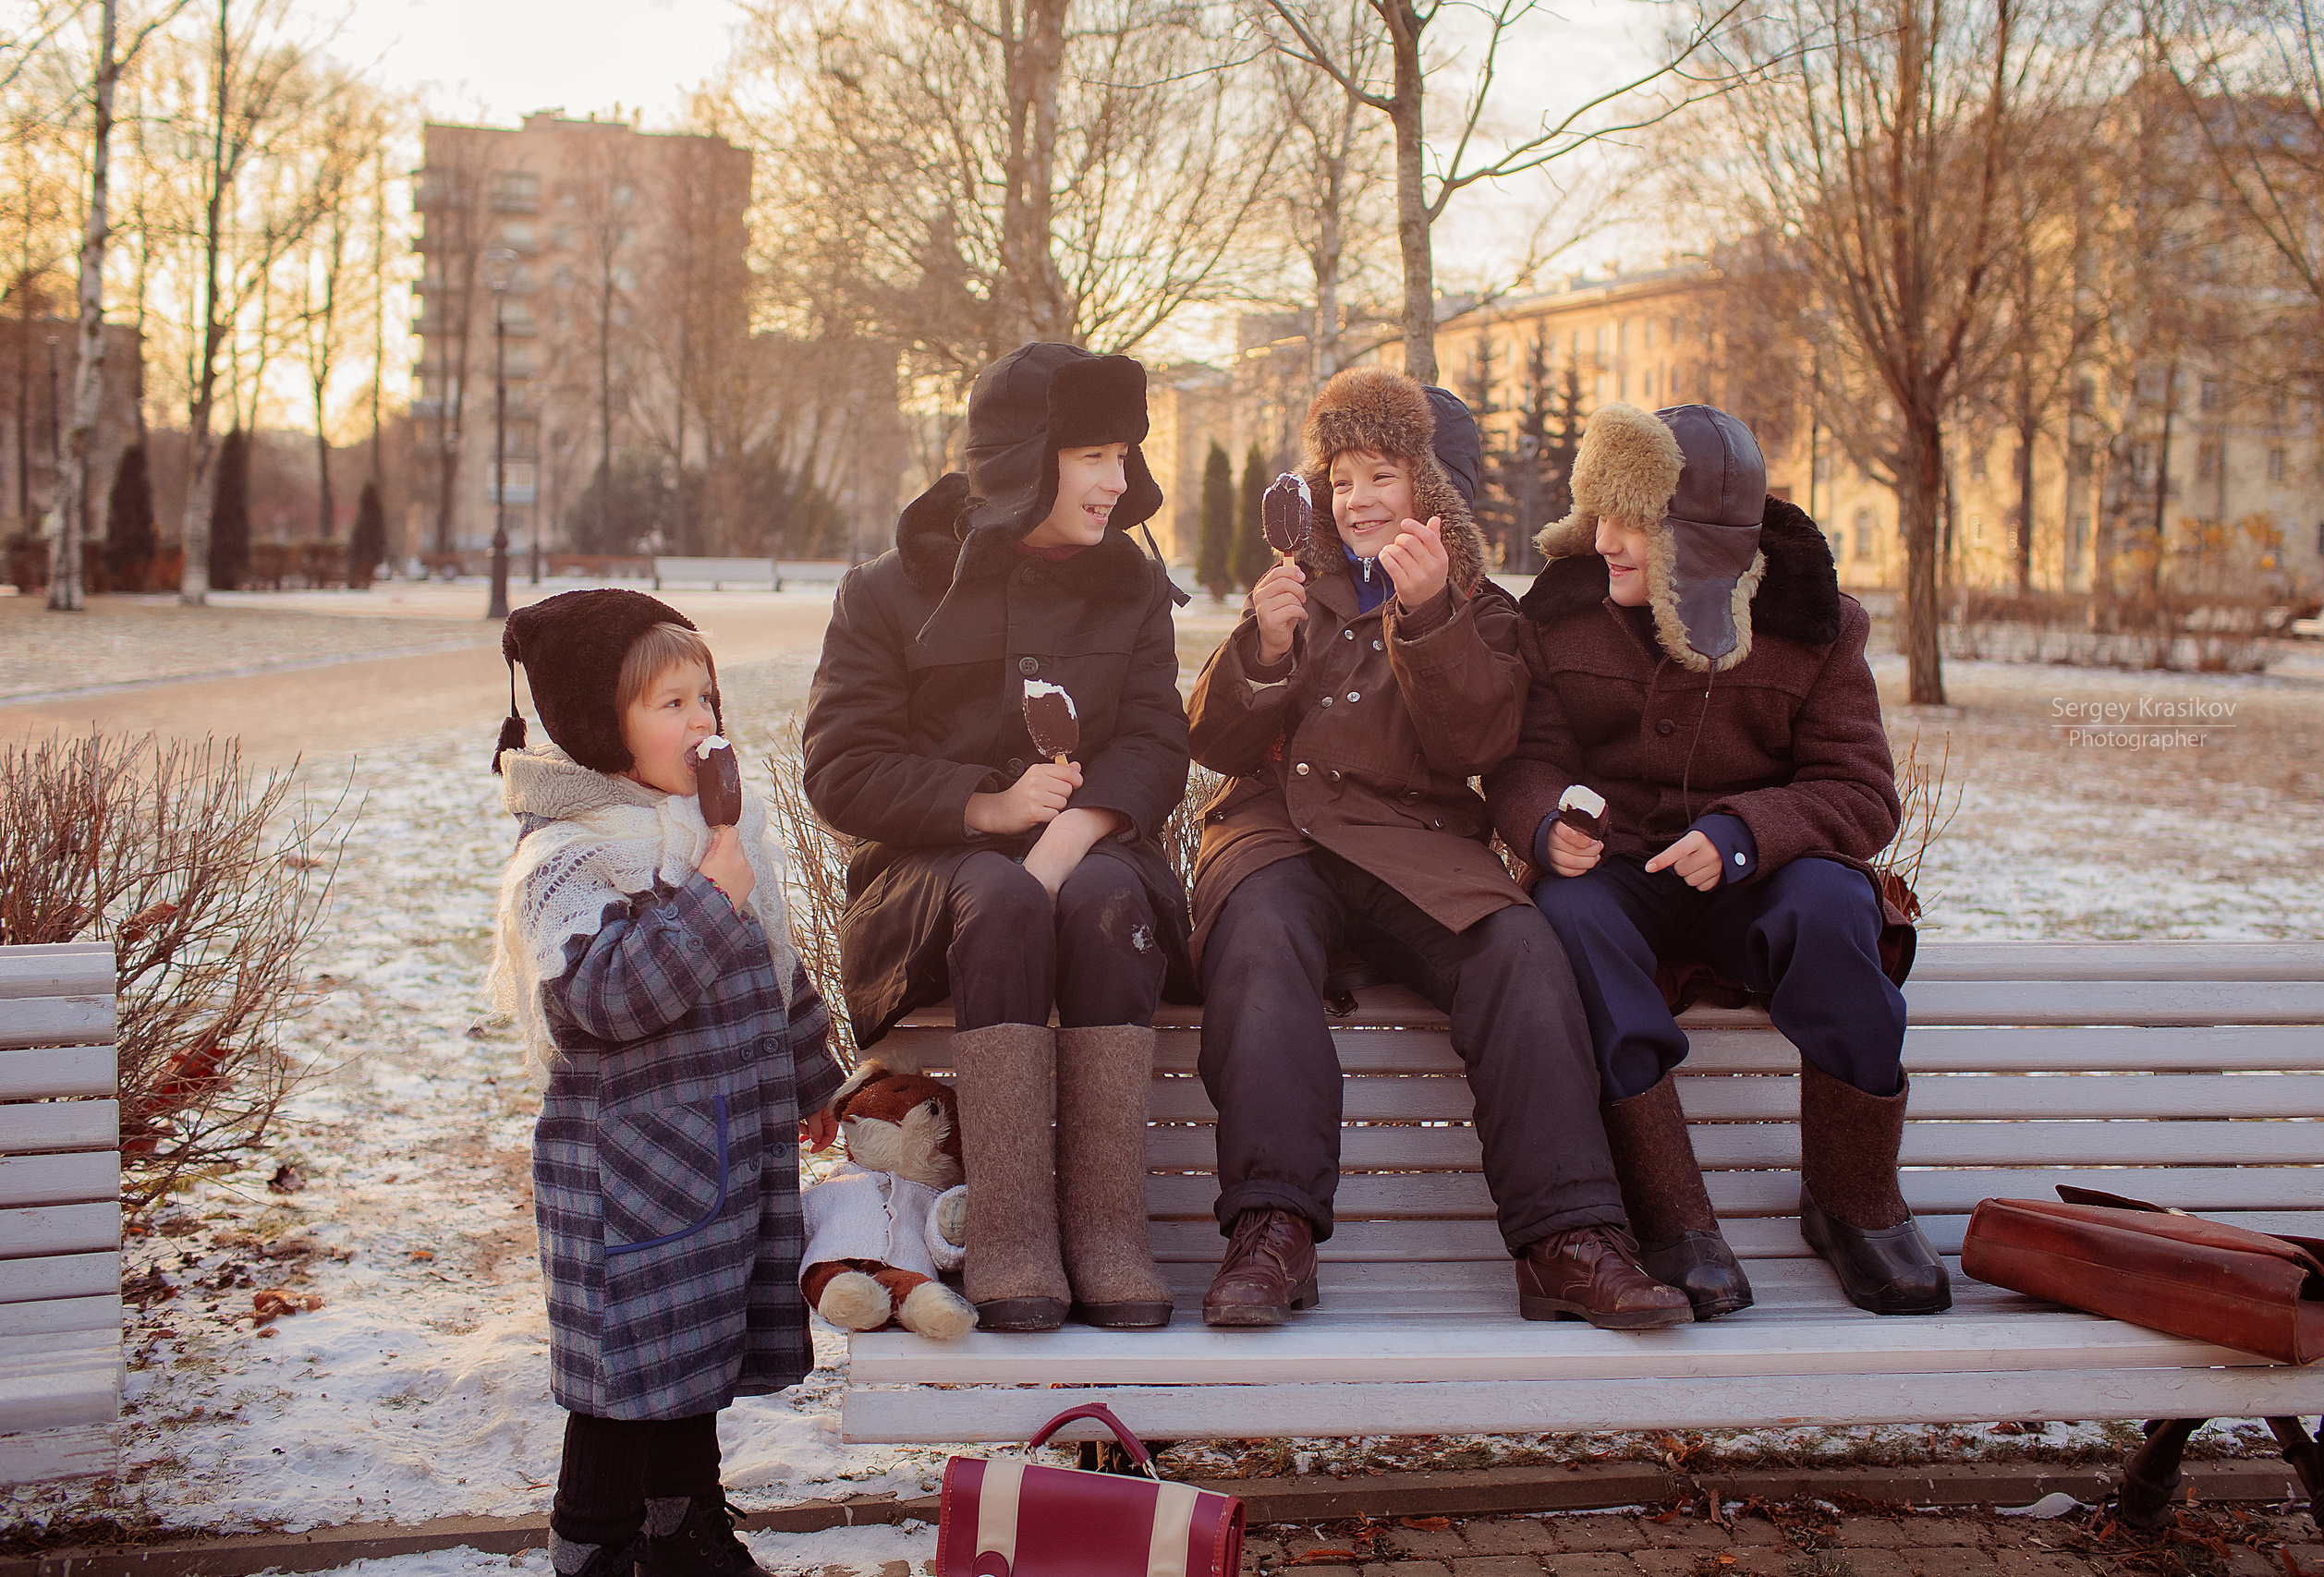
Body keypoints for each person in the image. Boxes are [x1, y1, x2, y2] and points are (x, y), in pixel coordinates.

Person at [1183, 366, 1691, 1332]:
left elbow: (1479, 748)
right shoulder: (1302, 586)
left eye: (1382, 473)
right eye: (1340, 479)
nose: (1357, 499)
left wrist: (1427, 621)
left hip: (1415, 845)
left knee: (1521, 950)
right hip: (1278, 833)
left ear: (1436, 491)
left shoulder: (1490, 614)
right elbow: (1210, 743)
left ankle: (1567, 1238)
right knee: (1258, 940)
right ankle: (1272, 1232)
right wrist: (1263, 646)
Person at [1487, 401, 1946, 1320]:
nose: (1603, 541)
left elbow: (1860, 795)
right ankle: (1675, 1219)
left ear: (1697, 539)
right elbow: (1524, 763)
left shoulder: (1813, 624)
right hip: (1618, 875)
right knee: (1567, 921)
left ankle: (1854, 1202)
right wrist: (1544, 825)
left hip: (1764, 879)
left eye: (1632, 522)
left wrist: (1745, 834)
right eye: (1598, 513)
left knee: (1832, 908)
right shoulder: (1565, 615)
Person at [802, 343, 1193, 1333]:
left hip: (1093, 855)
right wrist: (987, 808)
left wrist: (1069, 837)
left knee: (1105, 900)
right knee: (1004, 893)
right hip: (930, 881)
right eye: (1094, 455)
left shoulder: (1134, 588)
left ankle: (1108, 1231)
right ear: (1027, 458)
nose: (1118, 481)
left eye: (1124, 454)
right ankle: (1012, 1230)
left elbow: (1154, 740)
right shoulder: (888, 590)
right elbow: (840, 767)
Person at [488, 588, 841, 1577]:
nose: (702, 723)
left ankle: (684, 1527)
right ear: (606, 725)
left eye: (706, 698)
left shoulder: (709, 834)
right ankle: (594, 1542)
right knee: (623, 1379)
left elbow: (773, 966)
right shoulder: (568, 857)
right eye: (670, 704)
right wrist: (706, 896)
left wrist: (812, 1076)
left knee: (695, 1362)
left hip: (720, 1150)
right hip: (628, 1176)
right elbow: (611, 997)